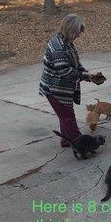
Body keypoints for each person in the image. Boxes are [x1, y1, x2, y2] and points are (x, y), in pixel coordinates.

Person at [39, 14, 94, 147]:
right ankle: (82, 145)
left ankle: (66, 140)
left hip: (61, 89)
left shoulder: (67, 43)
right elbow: (65, 71)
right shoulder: (57, 46)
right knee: (68, 118)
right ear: (69, 29)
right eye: (77, 32)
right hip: (54, 89)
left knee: (65, 117)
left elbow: (75, 64)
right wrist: (87, 77)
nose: (78, 36)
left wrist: (88, 74)